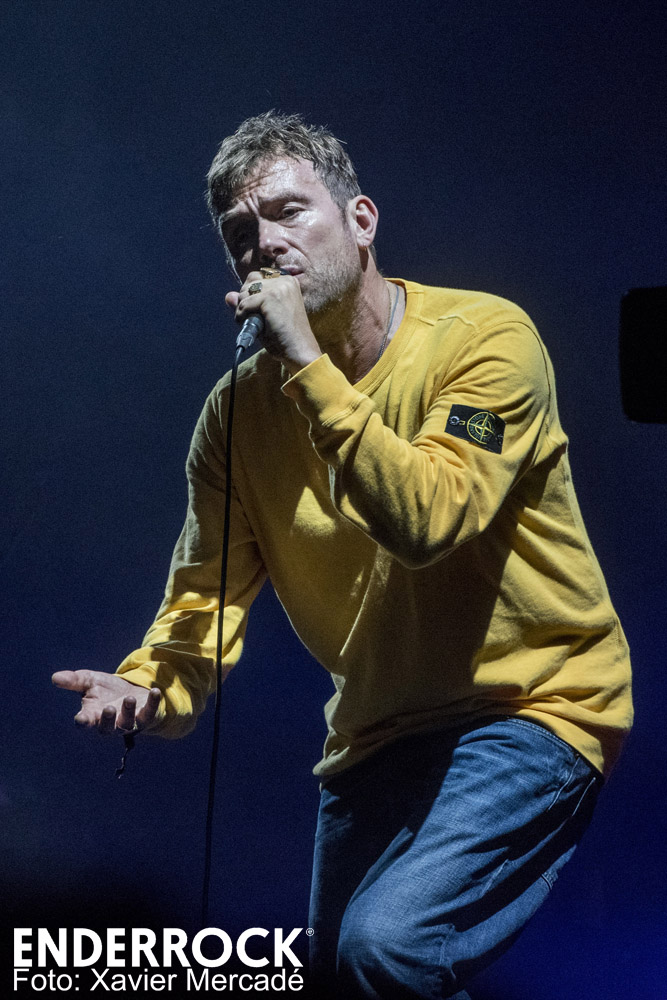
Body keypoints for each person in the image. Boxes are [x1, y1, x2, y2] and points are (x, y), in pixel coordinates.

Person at [53, 112, 633, 999]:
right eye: (239, 234)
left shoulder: (485, 338)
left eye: (289, 211)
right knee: (334, 982)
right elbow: (203, 598)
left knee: (387, 950)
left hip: (529, 707)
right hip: (374, 735)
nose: (264, 244)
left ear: (361, 220)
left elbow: (428, 519)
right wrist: (151, 687)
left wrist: (303, 363)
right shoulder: (236, 415)